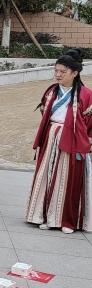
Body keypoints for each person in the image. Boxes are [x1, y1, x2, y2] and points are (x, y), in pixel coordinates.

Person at [26, 50, 92, 233]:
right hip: (51, 136)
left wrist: (87, 145)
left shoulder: (86, 95)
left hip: (74, 140)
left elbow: (90, 123)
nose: (58, 74)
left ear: (75, 73)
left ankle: (68, 221)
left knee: (69, 180)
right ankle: (43, 216)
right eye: (56, 70)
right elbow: (45, 116)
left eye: (63, 71)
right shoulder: (51, 92)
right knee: (47, 176)